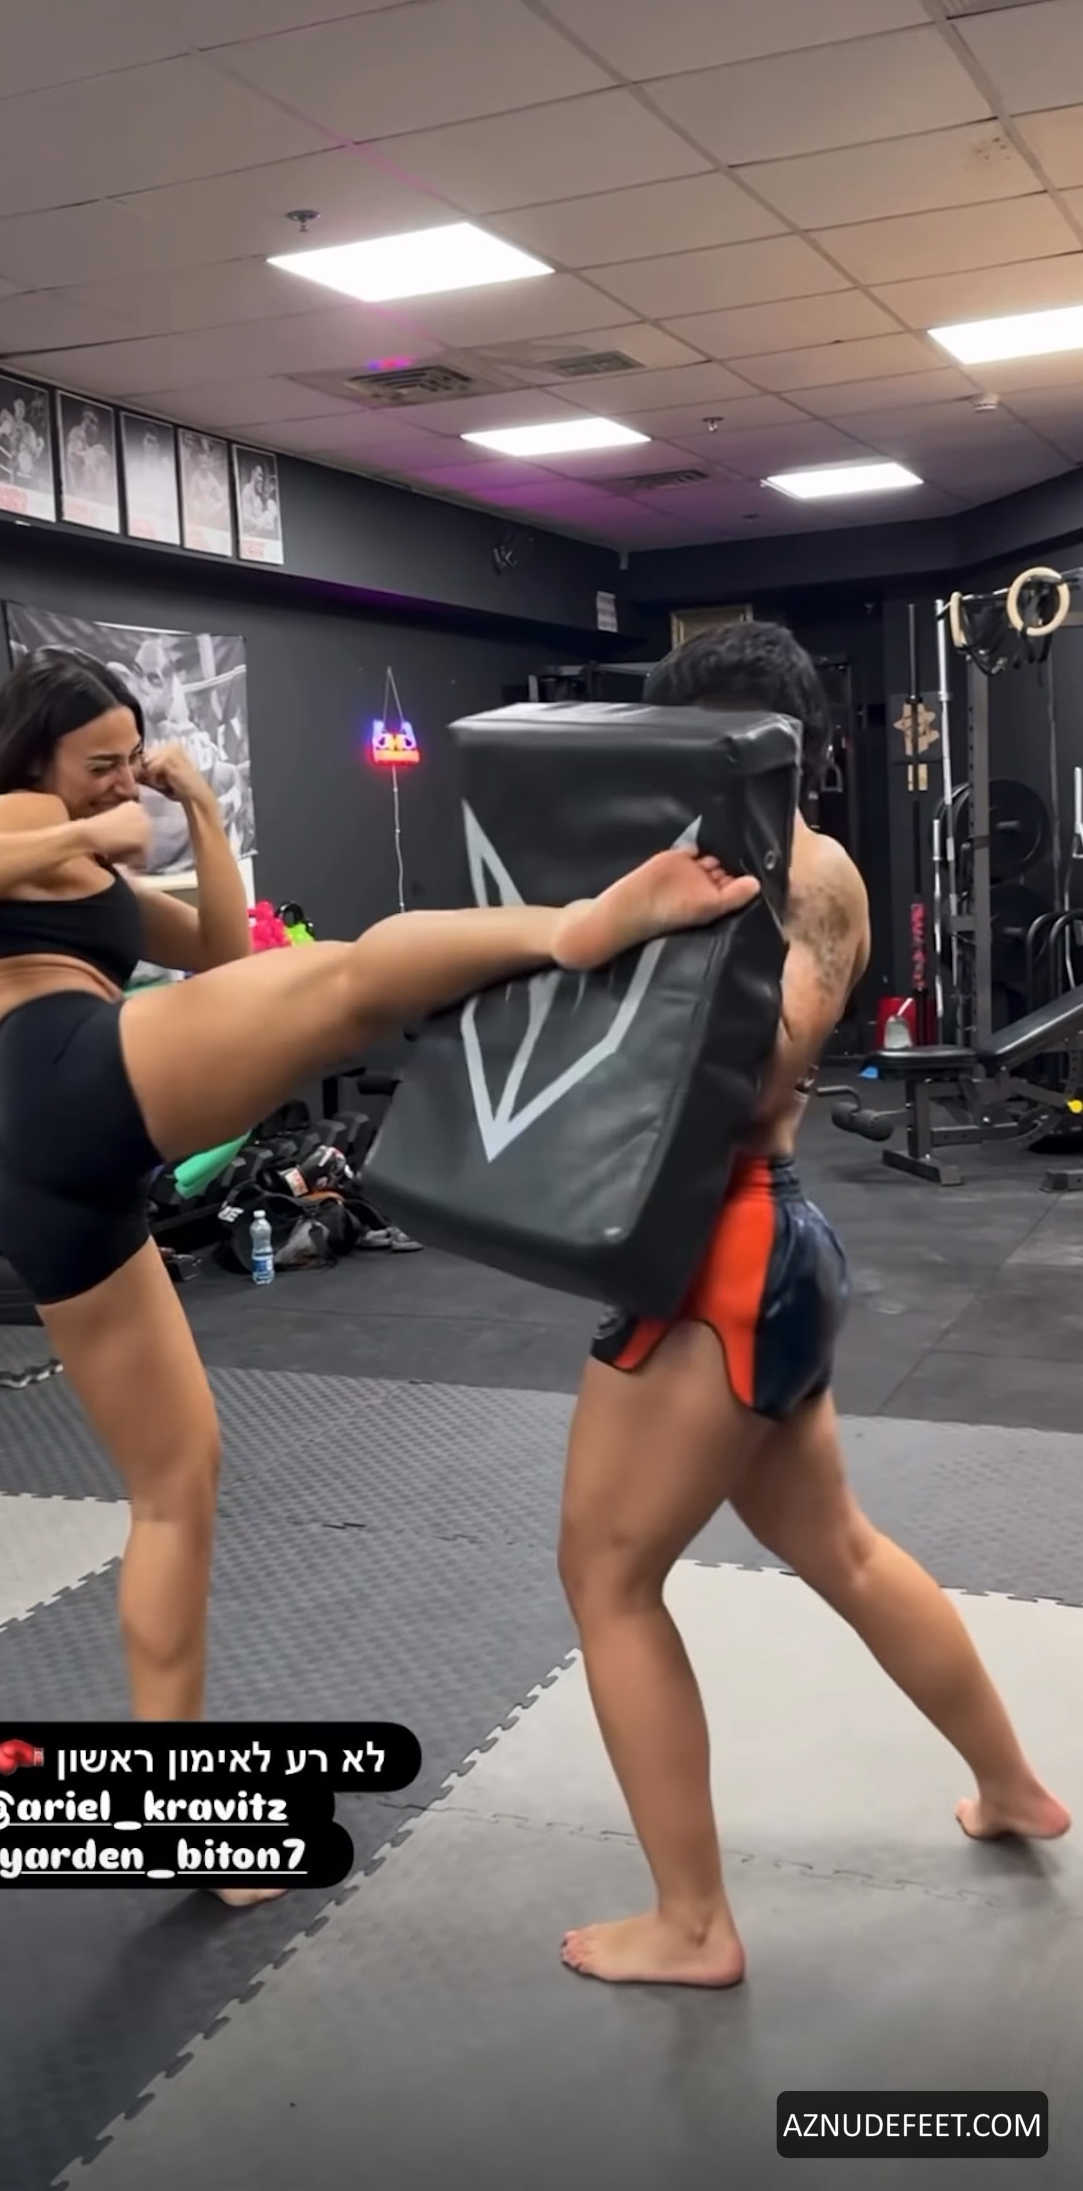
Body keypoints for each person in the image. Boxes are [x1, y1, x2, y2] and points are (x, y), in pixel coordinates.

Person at [0, 646, 759, 1909]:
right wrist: (89, 827)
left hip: (50, 1177)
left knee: (177, 1485)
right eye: (98, 761)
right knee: (349, 976)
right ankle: (579, 928)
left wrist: (193, 811)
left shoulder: (88, 847)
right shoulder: (15, 813)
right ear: (37, 757)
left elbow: (220, 954)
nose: (119, 779)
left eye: (130, 756)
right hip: (65, 1076)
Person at [556, 621, 1070, 1991]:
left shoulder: (807, 876)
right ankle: (1014, 1788)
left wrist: (648, 933)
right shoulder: (694, 859)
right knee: (835, 1545)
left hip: (724, 1253)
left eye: (738, 746)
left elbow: (759, 1064)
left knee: (605, 1577)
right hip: (749, 1251)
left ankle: (691, 1923)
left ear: (796, 756)